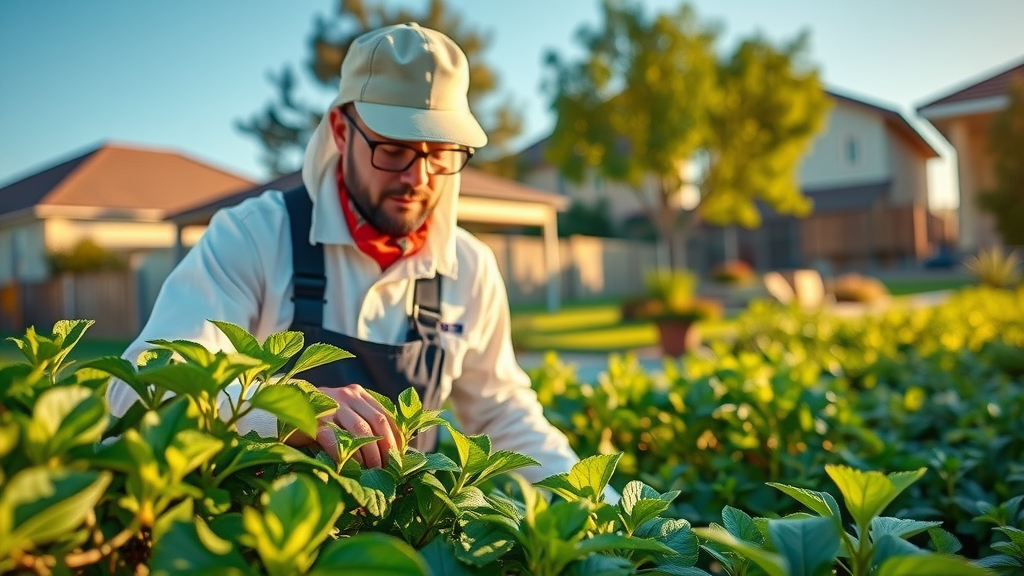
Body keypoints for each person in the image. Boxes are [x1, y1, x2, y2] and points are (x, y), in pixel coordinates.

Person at [107, 22, 608, 494]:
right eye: (393, 149)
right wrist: (290, 409)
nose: (418, 177)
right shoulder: (255, 236)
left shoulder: (469, 269)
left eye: (439, 154)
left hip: (400, 542)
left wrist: (599, 511)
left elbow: (504, 415)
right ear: (341, 132)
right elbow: (142, 389)